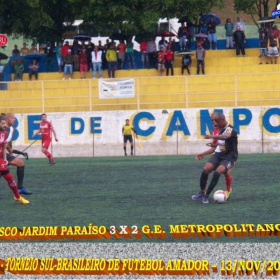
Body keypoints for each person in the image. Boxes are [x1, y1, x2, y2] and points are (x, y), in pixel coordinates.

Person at [192, 112, 238, 203]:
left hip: (229, 157)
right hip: (219, 155)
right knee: (206, 169)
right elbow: (218, 145)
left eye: (215, 121)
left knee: (218, 172)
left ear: (221, 120)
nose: (214, 123)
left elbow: (225, 137)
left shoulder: (230, 129)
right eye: (212, 121)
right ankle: (202, 192)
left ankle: (207, 195)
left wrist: (211, 136)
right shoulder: (217, 129)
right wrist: (204, 153)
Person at [0, 116, 29, 204]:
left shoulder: (4, 133)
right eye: (3, 123)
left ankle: (18, 196)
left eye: (5, 123)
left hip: (1, 159)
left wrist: (5, 159)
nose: (4, 125)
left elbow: (4, 147)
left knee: (10, 178)